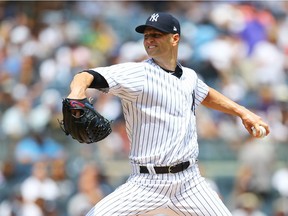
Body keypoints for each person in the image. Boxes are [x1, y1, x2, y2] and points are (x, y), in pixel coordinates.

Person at [66, 12, 270, 216]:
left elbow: (206, 94)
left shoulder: (189, 76)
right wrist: (77, 92)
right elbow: (85, 76)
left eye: (156, 34)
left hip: (190, 184)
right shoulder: (137, 74)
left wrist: (243, 112)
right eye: (146, 35)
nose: (149, 39)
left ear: (175, 38)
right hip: (145, 182)